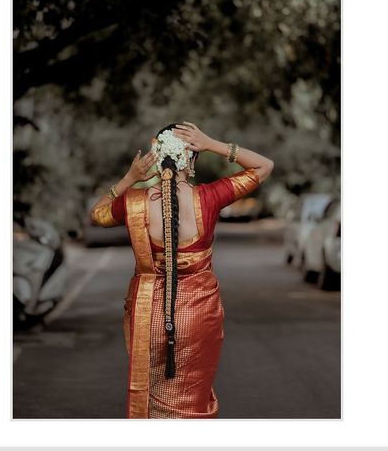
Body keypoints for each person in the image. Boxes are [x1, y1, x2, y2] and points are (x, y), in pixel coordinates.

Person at [90, 121, 274, 419]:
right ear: (191, 161)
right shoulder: (209, 198)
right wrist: (213, 143)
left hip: (148, 314)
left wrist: (130, 177)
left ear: (155, 160)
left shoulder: (134, 203)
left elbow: (98, 214)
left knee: (153, 399)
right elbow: (264, 166)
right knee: (192, 400)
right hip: (199, 315)